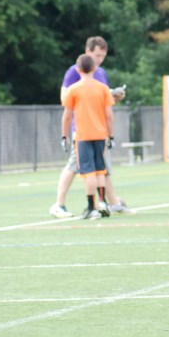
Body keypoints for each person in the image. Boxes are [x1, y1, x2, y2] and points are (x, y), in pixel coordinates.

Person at [49, 36, 134, 218]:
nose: (100, 60)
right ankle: (60, 204)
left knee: (101, 167)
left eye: (103, 56)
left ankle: (111, 203)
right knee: (77, 167)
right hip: (81, 130)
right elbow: (65, 99)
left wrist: (113, 96)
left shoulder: (100, 72)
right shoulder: (74, 71)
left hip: (99, 129)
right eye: (97, 56)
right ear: (88, 52)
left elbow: (105, 103)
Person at [60, 54, 115, 219]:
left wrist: (64, 136)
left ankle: (91, 207)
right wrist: (111, 136)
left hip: (83, 136)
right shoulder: (103, 88)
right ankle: (103, 201)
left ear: (78, 70)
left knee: (88, 172)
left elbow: (67, 116)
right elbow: (109, 115)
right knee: (100, 170)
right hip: (100, 134)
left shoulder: (73, 89)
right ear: (94, 68)